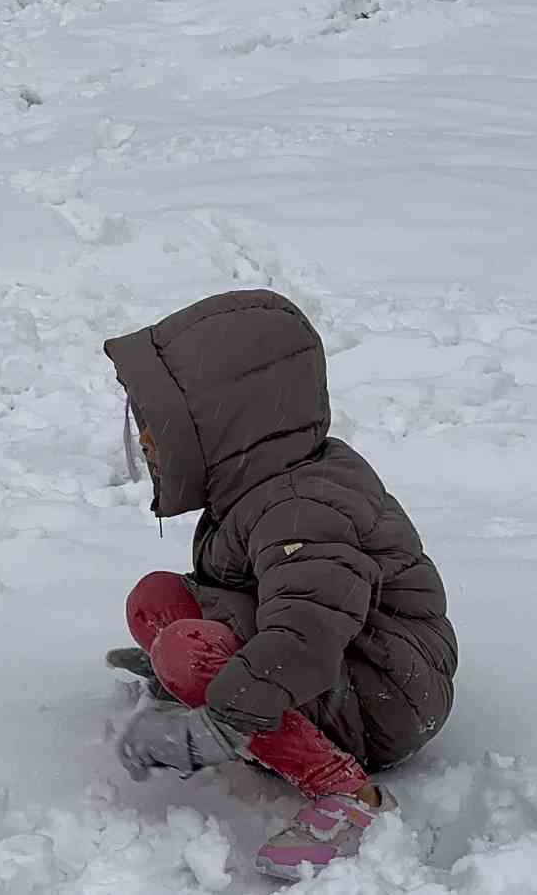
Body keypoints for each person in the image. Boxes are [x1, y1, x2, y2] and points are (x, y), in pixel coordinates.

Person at [102, 289, 457, 880]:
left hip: (384, 696)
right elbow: (248, 586)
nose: (145, 443)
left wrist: (222, 724)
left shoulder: (299, 505)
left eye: (159, 428)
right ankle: (205, 684)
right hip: (338, 659)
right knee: (157, 600)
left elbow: (308, 630)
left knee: (189, 650)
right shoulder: (260, 479)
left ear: (226, 423)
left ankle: (344, 794)